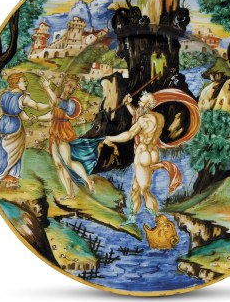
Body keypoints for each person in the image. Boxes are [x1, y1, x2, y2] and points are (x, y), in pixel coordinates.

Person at [103, 91, 182, 219]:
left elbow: (129, 135)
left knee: (145, 190)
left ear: (148, 104)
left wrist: (110, 138)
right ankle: (132, 217)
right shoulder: (159, 117)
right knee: (136, 188)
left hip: (143, 154)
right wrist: (128, 105)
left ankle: (158, 219)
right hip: (153, 153)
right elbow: (138, 116)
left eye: (142, 99)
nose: (139, 99)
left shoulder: (143, 120)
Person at [37, 74, 95, 199]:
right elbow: (52, 115)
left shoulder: (70, 103)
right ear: (64, 84)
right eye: (69, 86)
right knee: (58, 165)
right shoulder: (57, 98)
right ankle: (69, 193)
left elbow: (57, 103)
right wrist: (36, 118)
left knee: (67, 162)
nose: (71, 90)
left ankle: (88, 181)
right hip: (54, 132)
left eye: (73, 88)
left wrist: (47, 87)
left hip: (63, 132)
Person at [0, 73, 50, 186]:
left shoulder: (4, 94)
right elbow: (37, 106)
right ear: (16, 83)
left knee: (1, 149)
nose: (26, 83)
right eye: (24, 81)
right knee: (13, 151)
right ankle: (6, 175)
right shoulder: (23, 97)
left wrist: (29, 118)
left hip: (2, 122)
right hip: (13, 125)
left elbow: (18, 112)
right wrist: (50, 104)